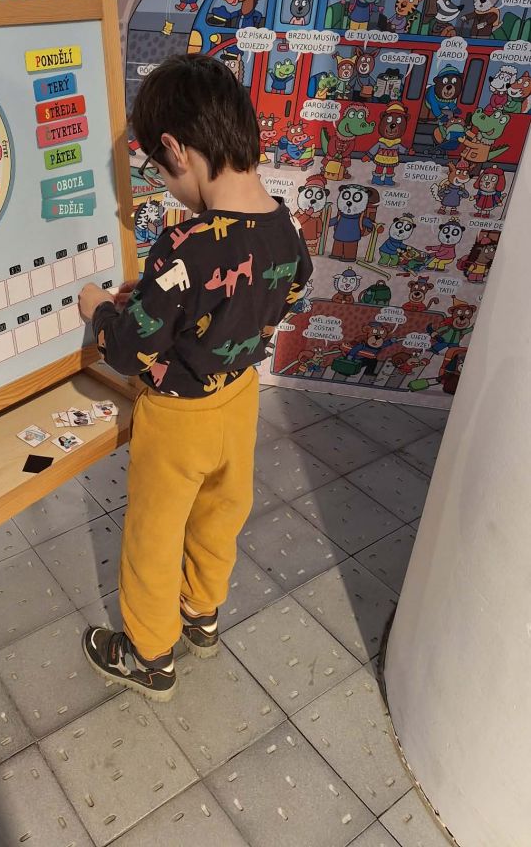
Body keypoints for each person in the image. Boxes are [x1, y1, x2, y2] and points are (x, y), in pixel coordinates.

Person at [78, 54, 313, 701]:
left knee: (154, 535)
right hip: (239, 402)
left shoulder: (186, 245)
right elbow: (291, 286)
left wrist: (100, 310)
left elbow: (130, 349)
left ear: (177, 150)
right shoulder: (285, 226)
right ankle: (201, 614)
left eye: (157, 169)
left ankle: (149, 655)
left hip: (178, 418)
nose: (164, 183)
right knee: (219, 514)